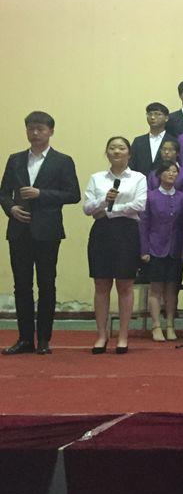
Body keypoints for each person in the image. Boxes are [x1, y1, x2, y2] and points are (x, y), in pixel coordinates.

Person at [1, 111, 81, 356]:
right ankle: (25, 338)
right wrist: (11, 208)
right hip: (19, 230)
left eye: (40, 129)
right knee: (21, 286)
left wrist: (42, 194)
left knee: (46, 284)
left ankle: (44, 339)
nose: (35, 133)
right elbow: (3, 193)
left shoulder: (62, 161)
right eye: (31, 129)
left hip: (47, 231)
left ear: (50, 131)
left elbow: (73, 195)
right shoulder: (15, 159)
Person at [83, 136, 146, 354]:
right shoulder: (97, 178)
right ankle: (102, 335)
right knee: (101, 285)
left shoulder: (138, 178)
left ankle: (123, 336)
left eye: (121, 148)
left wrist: (109, 211)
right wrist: (104, 201)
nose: (117, 151)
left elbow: (139, 205)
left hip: (127, 233)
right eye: (112, 148)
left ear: (129, 153)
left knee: (125, 285)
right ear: (107, 153)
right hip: (101, 233)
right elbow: (87, 208)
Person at [139, 160, 183, 342]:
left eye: (174, 171)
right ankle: (156, 325)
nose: (171, 174)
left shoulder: (182, 198)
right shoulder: (150, 197)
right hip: (155, 248)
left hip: (176, 249)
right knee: (156, 289)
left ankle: (170, 325)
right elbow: (143, 225)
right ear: (159, 175)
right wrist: (144, 250)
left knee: (172, 290)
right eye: (167, 171)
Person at [129, 102, 175, 175]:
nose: (152, 117)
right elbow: (131, 164)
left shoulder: (174, 141)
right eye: (150, 114)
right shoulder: (138, 141)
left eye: (157, 114)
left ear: (166, 118)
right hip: (141, 181)